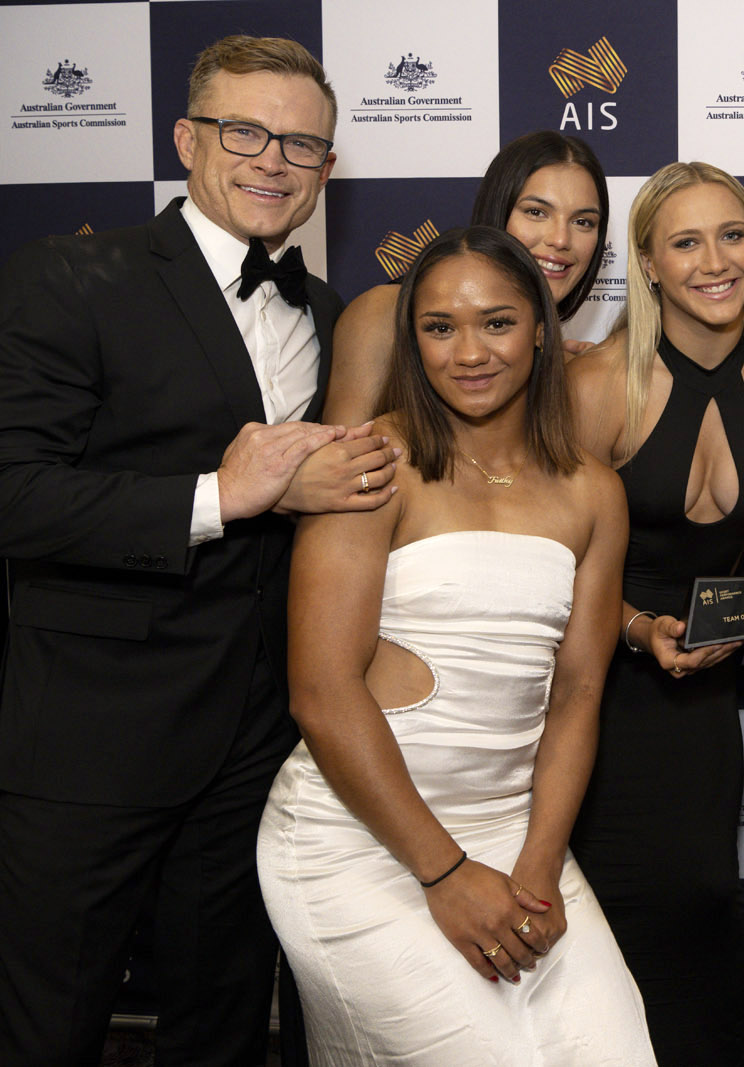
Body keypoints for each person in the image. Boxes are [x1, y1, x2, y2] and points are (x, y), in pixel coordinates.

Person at [0, 35, 398, 1063]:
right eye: (245, 131)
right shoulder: (72, 277)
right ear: (186, 138)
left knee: (221, 1029)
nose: (273, 159)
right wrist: (223, 495)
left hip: (257, 749)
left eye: (302, 143)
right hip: (92, 742)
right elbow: (18, 496)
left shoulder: (330, 314)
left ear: (328, 168)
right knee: (50, 1028)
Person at [257, 226, 655, 1064]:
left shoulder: (595, 491)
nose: (468, 352)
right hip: (359, 842)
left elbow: (579, 692)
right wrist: (443, 873)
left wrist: (541, 865)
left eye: (497, 323)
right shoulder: (371, 464)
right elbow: (322, 692)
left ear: (541, 329)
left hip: (515, 831)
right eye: (440, 328)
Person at [565, 161, 744, 1065]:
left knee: (700, 905)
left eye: (732, 235)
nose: (714, 260)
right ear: (647, 263)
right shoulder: (598, 384)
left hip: (702, 699)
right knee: (607, 917)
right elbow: (548, 567)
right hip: (594, 691)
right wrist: (636, 627)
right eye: (685, 241)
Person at [326, 130, 609, 425]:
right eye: (536, 212)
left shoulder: (564, 361)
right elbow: (342, 461)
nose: (561, 239)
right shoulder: (383, 313)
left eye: (582, 222)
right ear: (497, 208)